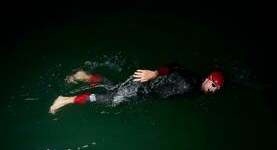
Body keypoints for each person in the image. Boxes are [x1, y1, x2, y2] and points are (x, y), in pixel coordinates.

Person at [49, 62, 224, 114]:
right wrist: (155, 73)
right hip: (142, 87)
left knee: (113, 89)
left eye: (217, 89)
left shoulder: (195, 82)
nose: (214, 90)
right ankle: (66, 99)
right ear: (208, 79)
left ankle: (84, 76)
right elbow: (173, 67)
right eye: (214, 85)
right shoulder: (190, 83)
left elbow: (176, 66)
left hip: (145, 90)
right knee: (112, 100)